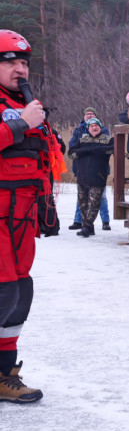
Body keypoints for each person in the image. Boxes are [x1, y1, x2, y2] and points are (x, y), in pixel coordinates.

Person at [0, 29, 60, 403]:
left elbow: (47, 158)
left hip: (23, 216)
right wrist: (20, 122)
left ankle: (6, 374)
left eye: (23, 63)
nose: (20, 69)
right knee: (3, 289)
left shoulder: (26, 103)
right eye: (11, 63)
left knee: (19, 292)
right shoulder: (20, 111)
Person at [68, 117, 114, 237]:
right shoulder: (82, 140)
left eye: (96, 126)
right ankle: (88, 227)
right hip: (82, 177)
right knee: (83, 204)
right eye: (92, 126)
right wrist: (86, 151)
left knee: (94, 203)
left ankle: (86, 226)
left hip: (98, 177)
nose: (94, 127)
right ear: (88, 128)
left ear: (100, 127)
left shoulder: (108, 139)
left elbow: (112, 150)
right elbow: (71, 154)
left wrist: (91, 150)